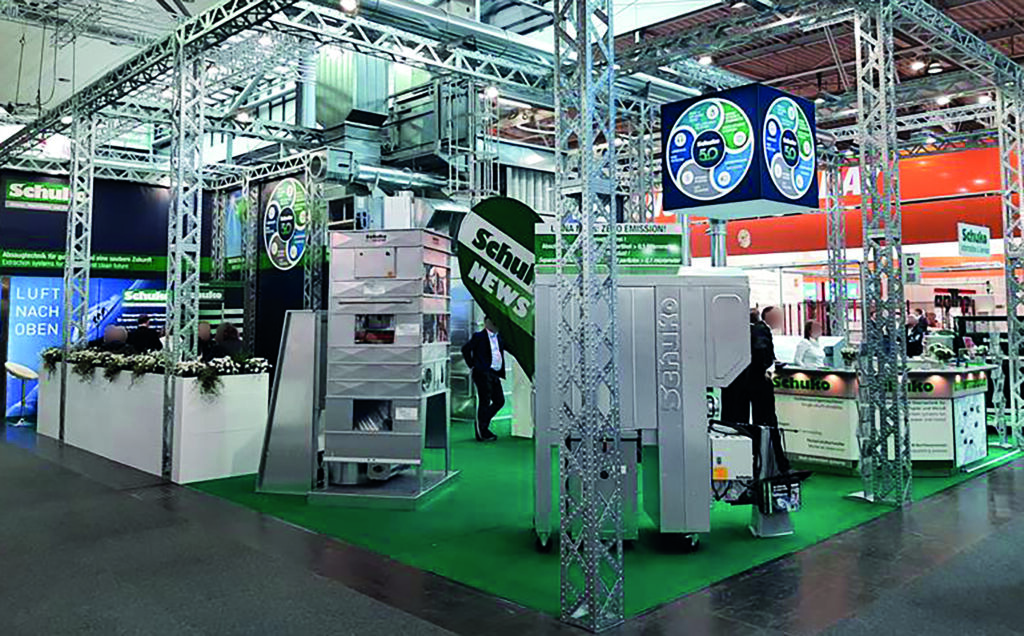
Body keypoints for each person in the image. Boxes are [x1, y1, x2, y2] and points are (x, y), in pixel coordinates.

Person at [461, 316, 506, 442]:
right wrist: (473, 365)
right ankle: (482, 431)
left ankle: (482, 423)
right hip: (483, 373)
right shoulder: (479, 336)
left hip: (495, 373)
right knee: (485, 401)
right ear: (487, 322)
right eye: (493, 322)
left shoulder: (500, 337)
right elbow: (465, 349)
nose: (496, 325)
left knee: (499, 401)